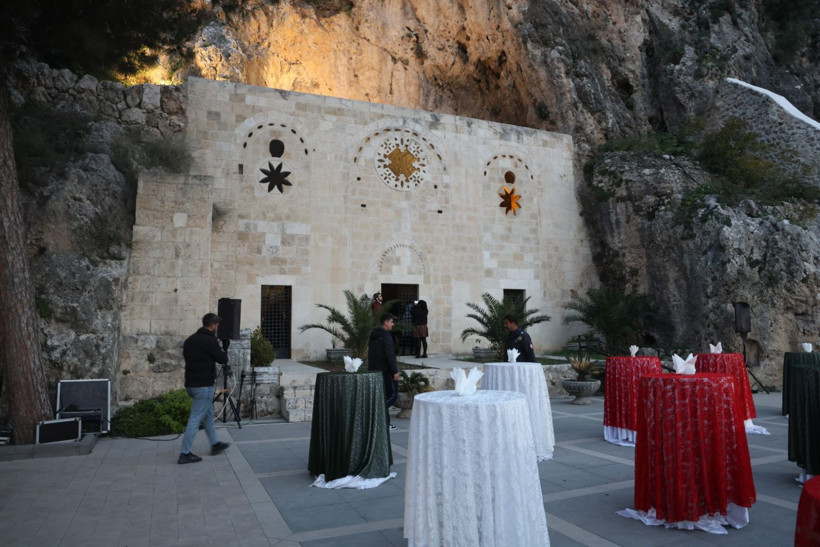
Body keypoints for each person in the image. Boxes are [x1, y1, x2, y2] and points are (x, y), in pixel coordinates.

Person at [178, 313, 231, 464]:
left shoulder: (190, 340)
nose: (217, 328)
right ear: (213, 325)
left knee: (208, 415)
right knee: (195, 419)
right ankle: (185, 453)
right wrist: (223, 347)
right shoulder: (210, 340)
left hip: (191, 384)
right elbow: (222, 359)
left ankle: (215, 444)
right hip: (203, 386)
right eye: (217, 325)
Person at [368, 313, 399, 431]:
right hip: (385, 371)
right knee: (392, 395)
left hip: (375, 370)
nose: (393, 324)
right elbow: (389, 355)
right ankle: (378, 413)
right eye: (391, 322)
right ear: (386, 322)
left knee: (383, 396)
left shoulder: (374, 334)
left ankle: (385, 423)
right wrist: (395, 372)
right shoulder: (386, 336)